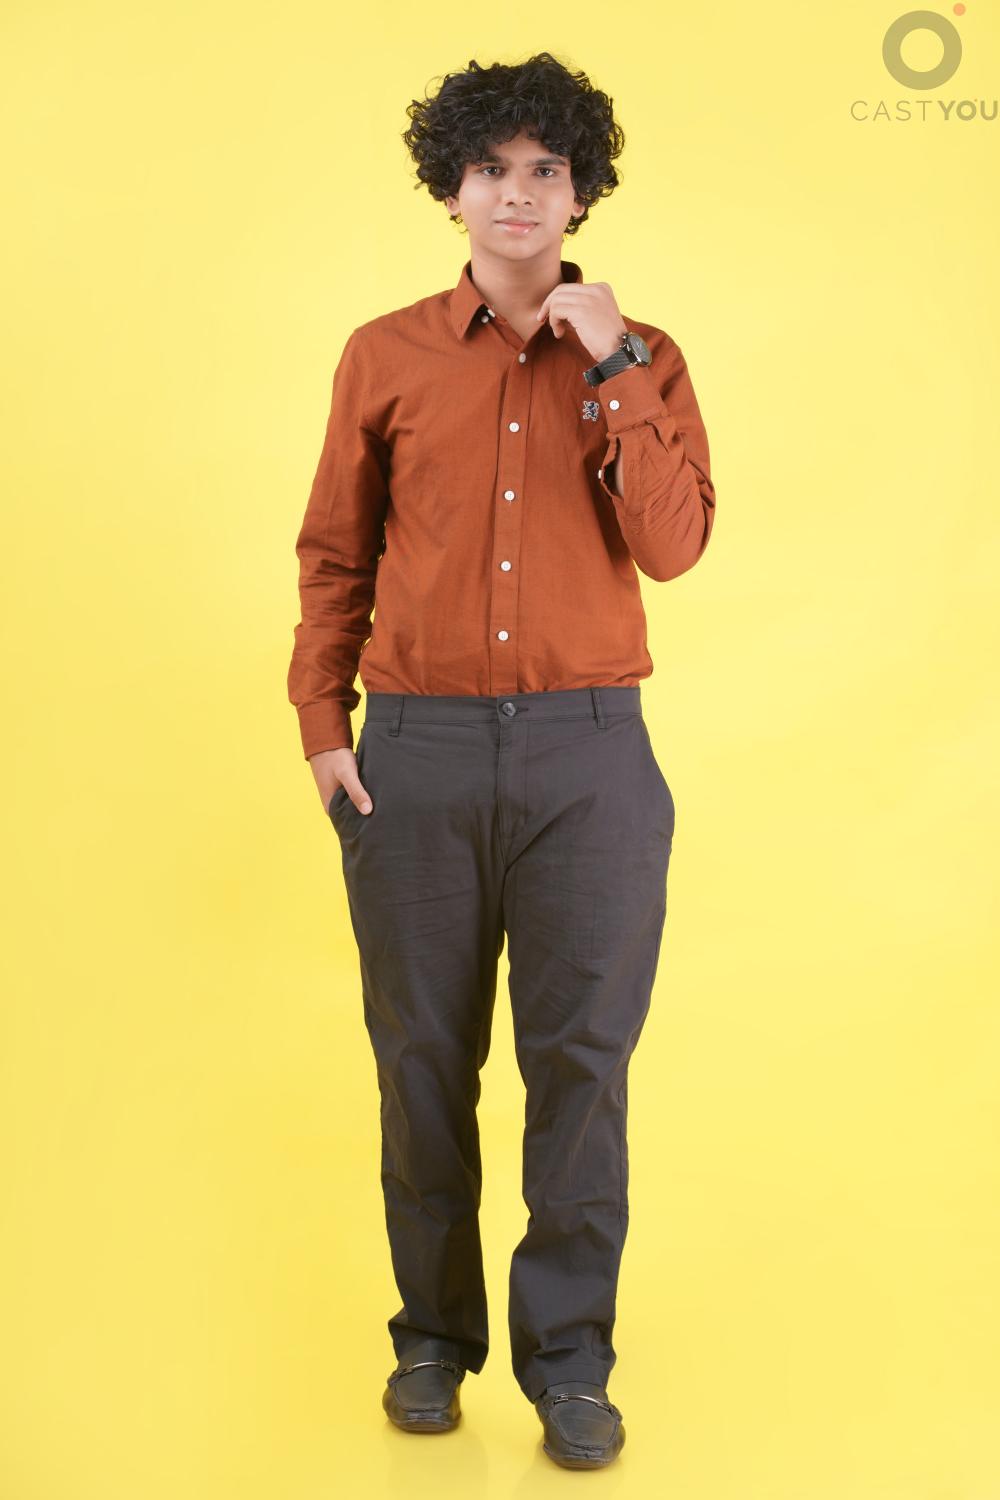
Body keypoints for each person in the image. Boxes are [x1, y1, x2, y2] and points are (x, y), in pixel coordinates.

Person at [286, 51, 716, 1470]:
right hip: (418, 752)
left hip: (594, 756)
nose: (517, 193)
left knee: (581, 1065)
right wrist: (325, 728)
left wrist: (613, 365)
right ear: (452, 187)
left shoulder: (644, 355)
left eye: (546, 170)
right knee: (422, 1058)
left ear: (581, 192)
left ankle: (571, 1363)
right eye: (491, 168)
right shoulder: (384, 354)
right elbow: (336, 552)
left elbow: (673, 546)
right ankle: (430, 1336)